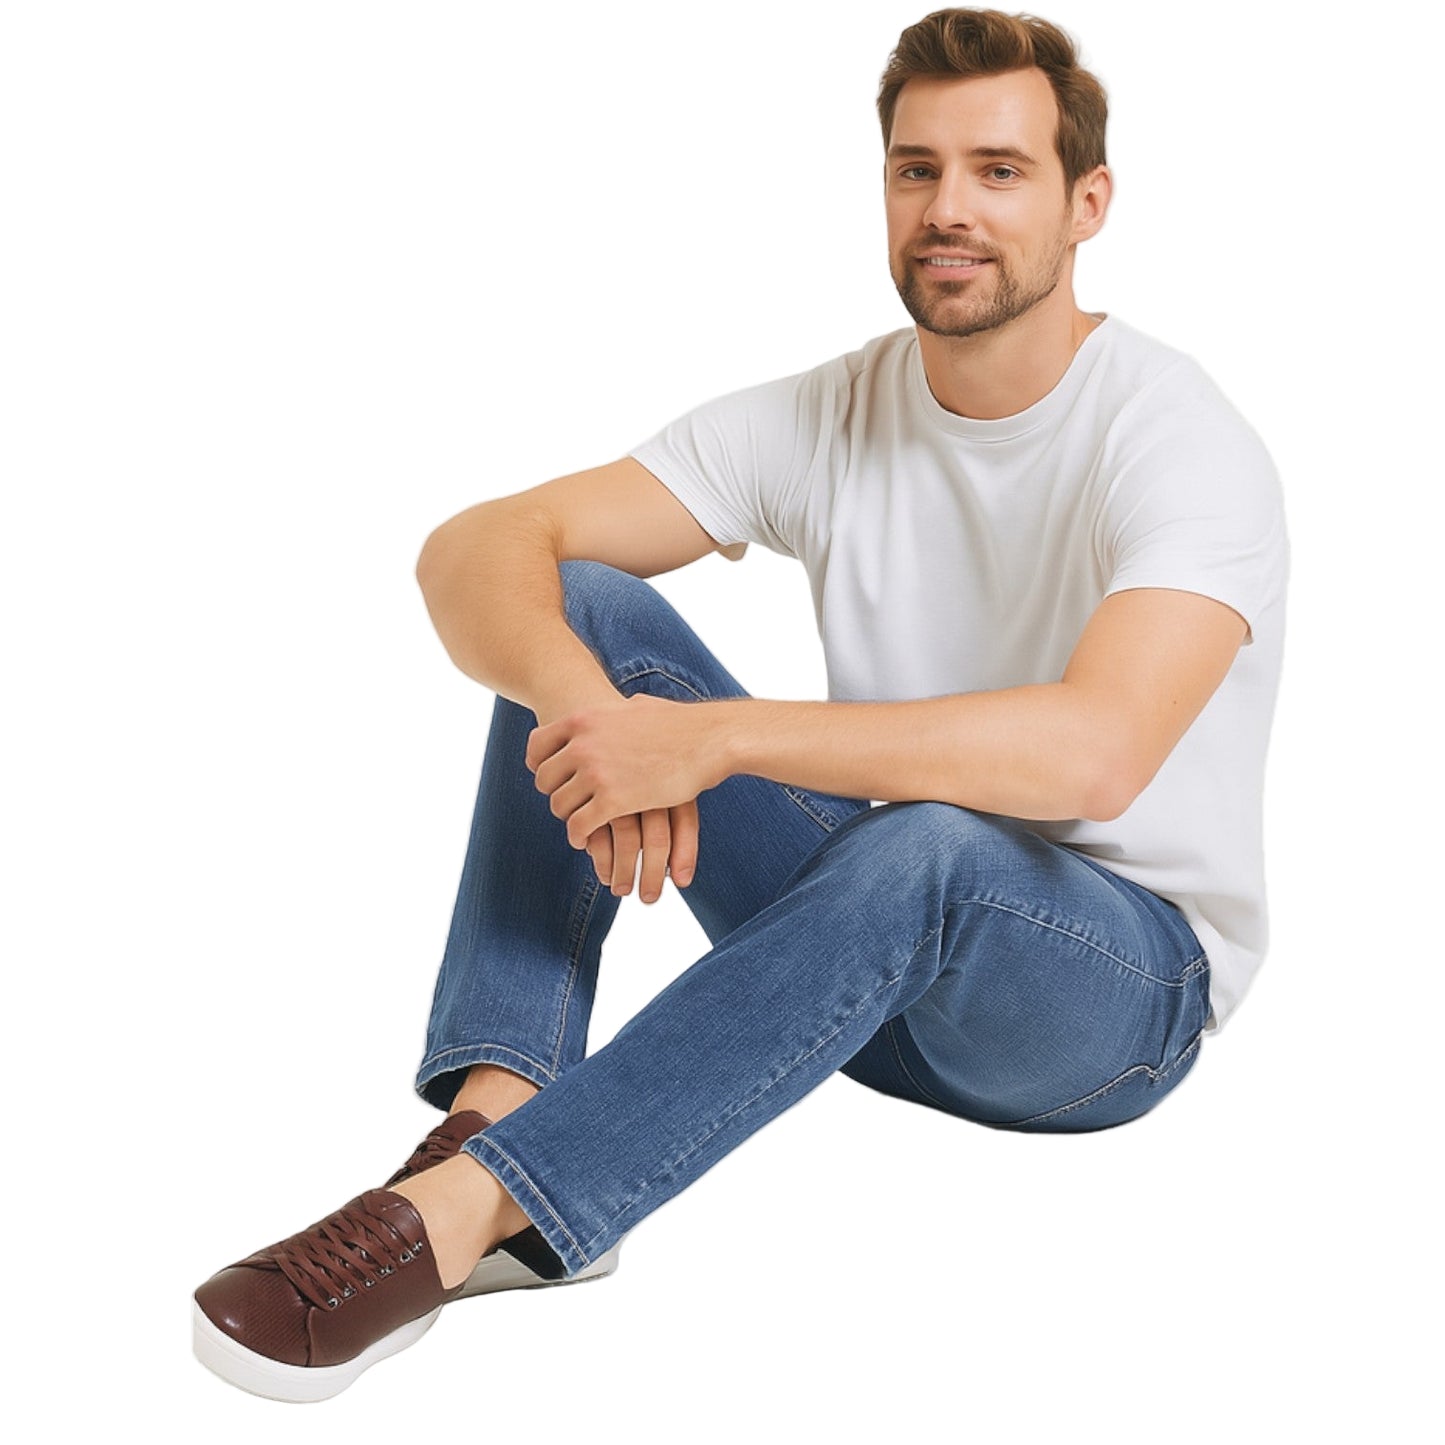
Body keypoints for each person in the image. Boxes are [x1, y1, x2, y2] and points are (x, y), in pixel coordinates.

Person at [192, 6, 1288, 1402]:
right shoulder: (837, 410)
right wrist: (593, 713)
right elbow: (473, 547)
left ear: (1087, 204)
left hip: (1108, 1006)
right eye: (914, 169)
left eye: (998, 172)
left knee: (932, 842)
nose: (948, 208)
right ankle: (492, 1111)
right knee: (577, 612)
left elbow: (1099, 750)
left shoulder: (1178, 436)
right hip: (855, 966)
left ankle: (481, 1213)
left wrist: (717, 734)